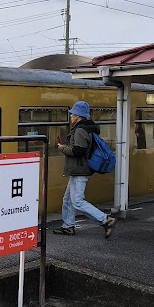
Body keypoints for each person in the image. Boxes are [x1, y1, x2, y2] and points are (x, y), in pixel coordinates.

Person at [53, 101, 117, 239]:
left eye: (72, 114)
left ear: (78, 116)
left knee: (77, 201)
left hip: (80, 170)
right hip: (77, 169)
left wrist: (63, 148)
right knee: (67, 200)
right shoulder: (86, 128)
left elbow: (79, 150)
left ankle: (106, 220)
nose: (71, 116)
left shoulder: (80, 130)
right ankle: (68, 226)